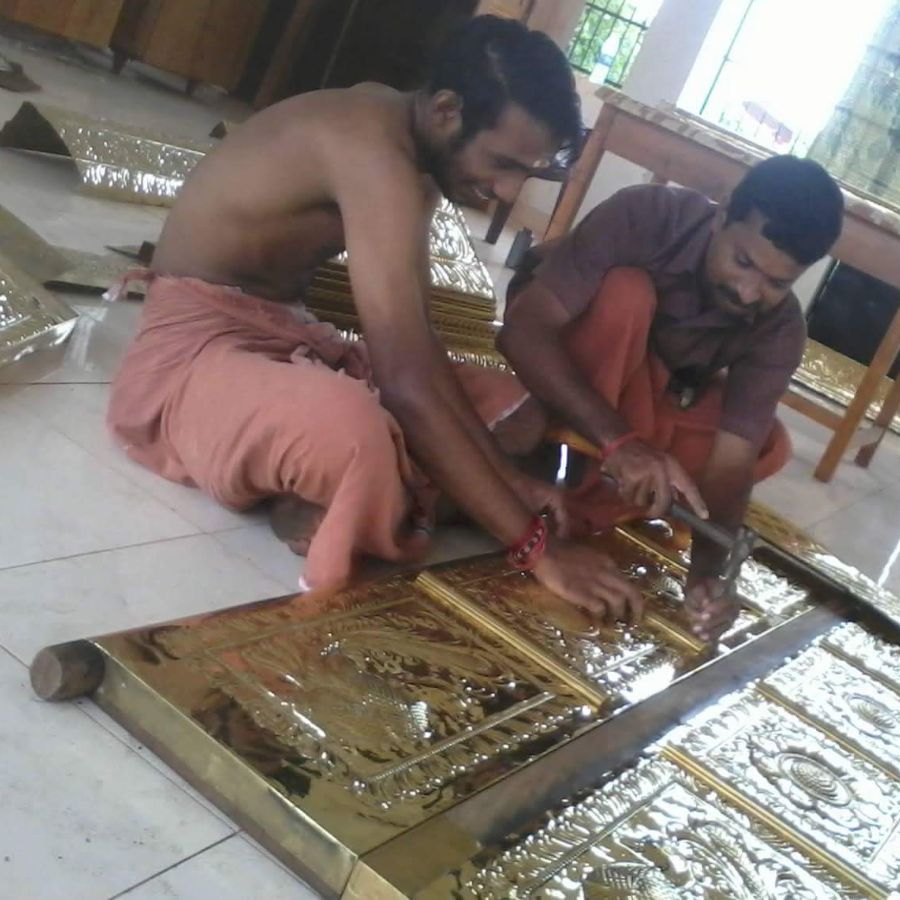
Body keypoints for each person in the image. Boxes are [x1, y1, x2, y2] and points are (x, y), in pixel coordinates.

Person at [107, 16, 645, 621]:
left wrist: (513, 483)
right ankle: (360, 488)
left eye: (525, 171)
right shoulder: (371, 150)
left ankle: (328, 493)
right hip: (194, 354)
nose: (504, 189)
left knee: (514, 410)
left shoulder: (413, 148)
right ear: (446, 110)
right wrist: (536, 549)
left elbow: (416, 348)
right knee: (353, 428)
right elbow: (408, 384)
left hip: (288, 337)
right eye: (502, 162)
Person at [498, 155, 844, 640]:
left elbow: (730, 466)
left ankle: (600, 489)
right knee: (626, 295)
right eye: (743, 262)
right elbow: (522, 332)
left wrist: (707, 574)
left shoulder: (781, 330)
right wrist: (621, 444)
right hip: (568, 364)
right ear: (721, 215)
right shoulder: (646, 215)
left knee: (767, 441)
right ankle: (550, 463)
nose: (748, 293)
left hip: (643, 399)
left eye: (777, 283)